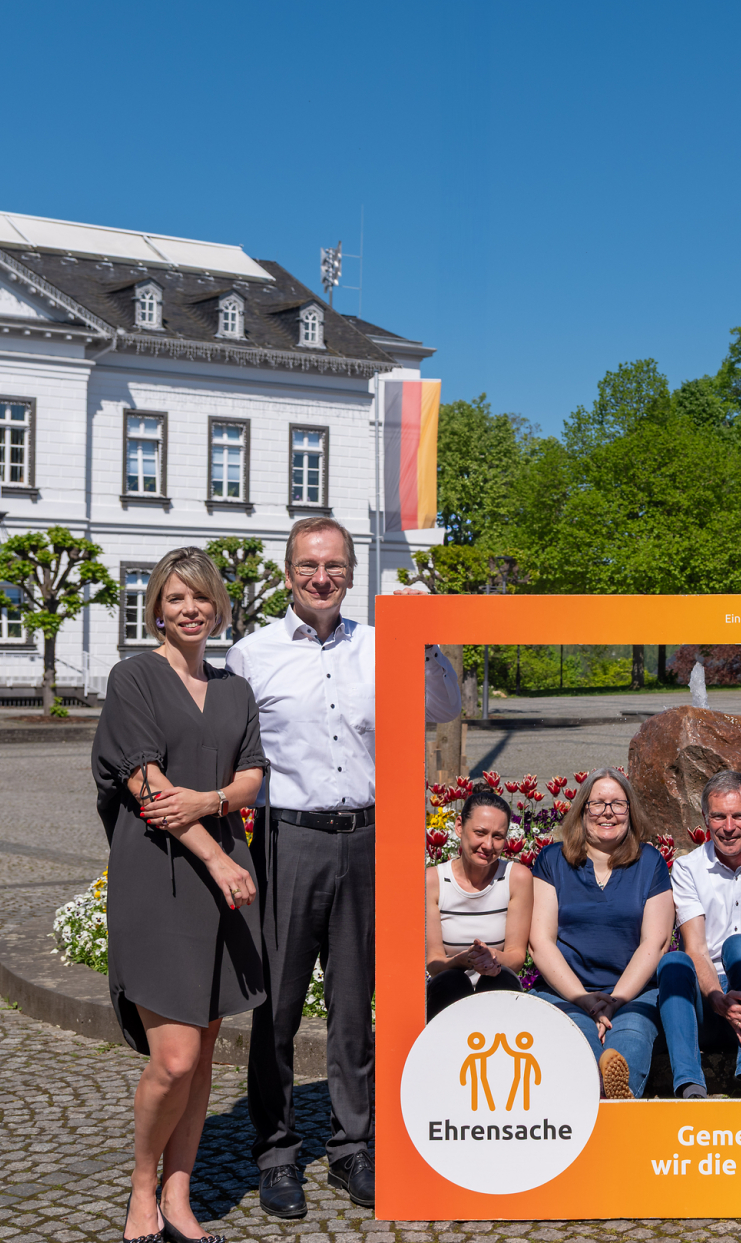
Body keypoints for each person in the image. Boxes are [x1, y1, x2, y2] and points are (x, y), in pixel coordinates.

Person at [226, 516, 461, 1217]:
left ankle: (353, 1146)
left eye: (333, 566)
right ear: (288, 573)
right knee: (277, 1008)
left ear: (351, 573)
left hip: (365, 839)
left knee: (354, 1006)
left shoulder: (384, 648)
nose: (320, 578)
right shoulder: (251, 655)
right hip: (286, 838)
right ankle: (275, 1153)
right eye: (307, 566)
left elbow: (442, 707)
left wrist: (427, 643)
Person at [90, 547, 268, 1243]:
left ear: (217, 606)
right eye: (174, 598)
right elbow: (147, 787)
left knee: (206, 1052)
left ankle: (179, 1194)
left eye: (200, 598)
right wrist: (219, 856)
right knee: (175, 1059)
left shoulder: (234, 690)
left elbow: (252, 777)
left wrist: (216, 797)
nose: (189, 610)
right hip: (160, 878)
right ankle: (141, 1186)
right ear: (156, 609)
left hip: (222, 880)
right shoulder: (133, 676)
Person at [527, 767, 675, 1100]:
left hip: (633, 993)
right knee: (575, 1036)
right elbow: (540, 942)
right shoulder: (553, 860)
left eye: (618, 804)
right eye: (598, 804)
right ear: (582, 810)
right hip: (565, 992)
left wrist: (614, 1001)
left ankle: (609, 1097)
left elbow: (656, 941)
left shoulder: (649, 862)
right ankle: (603, 1100)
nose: (607, 812)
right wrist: (585, 1000)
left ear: (630, 812)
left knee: (631, 1038)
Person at [657, 769, 741, 1099]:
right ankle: (690, 1086)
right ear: (705, 818)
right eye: (719, 817)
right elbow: (695, 946)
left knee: (740, 946)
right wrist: (716, 998)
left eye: (738, 816)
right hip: (708, 996)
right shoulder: (687, 868)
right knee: (673, 963)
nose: (729, 827)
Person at [425, 788, 533, 1019]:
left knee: (500, 978)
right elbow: (434, 963)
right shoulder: (433, 881)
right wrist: (464, 960)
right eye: (480, 833)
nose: (488, 845)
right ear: (459, 827)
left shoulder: (517, 877)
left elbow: (515, 957)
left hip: (497, 984)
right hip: (448, 988)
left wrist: (492, 957)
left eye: (497, 836)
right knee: (451, 980)